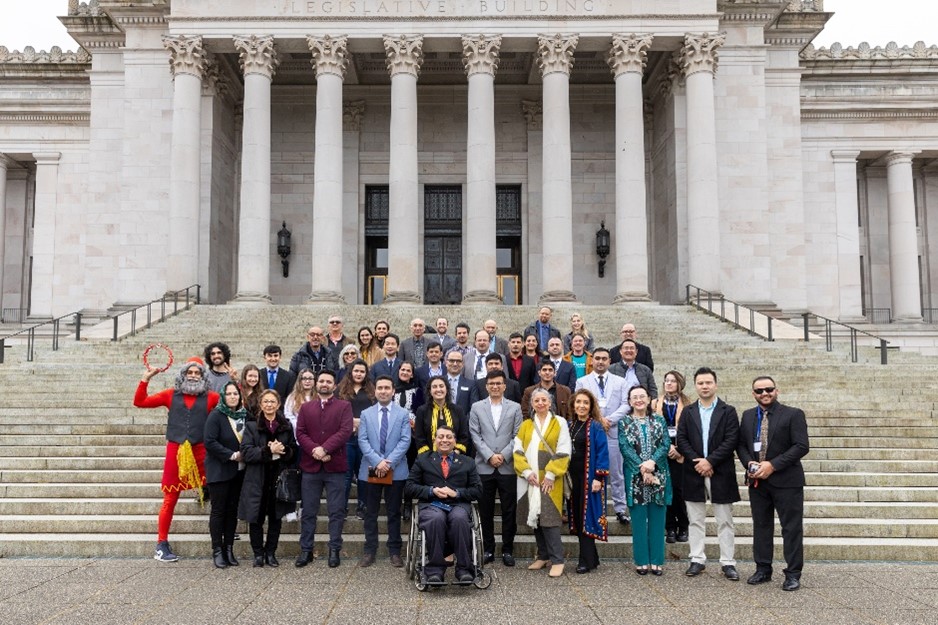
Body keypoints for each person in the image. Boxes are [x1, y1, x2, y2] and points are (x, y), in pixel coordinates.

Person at [135, 357, 219, 562]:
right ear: (183, 375)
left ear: (203, 376)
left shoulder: (213, 397)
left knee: (218, 492)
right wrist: (145, 379)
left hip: (201, 452)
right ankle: (161, 544)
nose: (193, 376)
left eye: (197, 373)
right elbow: (140, 402)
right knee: (170, 498)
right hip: (176, 452)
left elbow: (234, 408)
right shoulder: (170, 395)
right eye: (189, 373)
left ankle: (223, 535)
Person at [738, 376, 810, 591]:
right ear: (753, 394)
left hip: (786, 481)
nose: (764, 394)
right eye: (759, 391)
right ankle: (762, 568)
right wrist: (748, 462)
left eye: (768, 389)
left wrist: (773, 465)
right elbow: (741, 445)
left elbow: (801, 446)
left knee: (791, 528)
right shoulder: (748, 415)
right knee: (761, 526)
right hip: (758, 482)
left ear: (776, 391)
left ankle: (793, 573)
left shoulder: (793, 414)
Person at [676, 367, 741, 580]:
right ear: (696, 386)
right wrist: (699, 462)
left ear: (715, 384)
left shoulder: (728, 411)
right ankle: (697, 559)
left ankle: (728, 562)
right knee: (695, 519)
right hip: (693, 471)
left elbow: (731, 439)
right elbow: (682, 439)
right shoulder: (688, 411)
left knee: (724, 519)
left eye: (708, 382)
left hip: (720, 471)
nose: (705, 386)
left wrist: (710, 461)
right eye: (701, 383)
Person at [404, 426, 483, 584]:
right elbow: (409, 486)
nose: (444, 440)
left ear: (455, 441)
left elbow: (478, 490)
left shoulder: (468, 462)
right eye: (441, 437)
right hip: (431, 505)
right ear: (435, 440)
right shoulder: (423, 459)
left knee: (460, 519)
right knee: (436, 519)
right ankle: (434, 571)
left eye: (448, 437)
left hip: (458, 505)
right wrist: (431, 490)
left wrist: (457, 493)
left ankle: (464, 570)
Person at [295, 369, 354, 568]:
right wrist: (315, 450)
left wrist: (326, 448)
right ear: (315, 384)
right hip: (311, 467)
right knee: (309, 511)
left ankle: (334, 549)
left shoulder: (344, 406)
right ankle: (306, 550)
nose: (325, 384)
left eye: (329, 381)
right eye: (322, 381)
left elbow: (345, 431)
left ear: (334, 386)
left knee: (336, 511)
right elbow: (300, 432)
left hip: (335, 467)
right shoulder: (306, 407)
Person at [514, 387, 571, 578]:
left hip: (549, 478)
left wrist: (551, 474)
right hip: (531, 478)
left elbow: (564, 449)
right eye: (536, 400)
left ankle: (558, 559)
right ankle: (543, 555)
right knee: (536, 518)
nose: (540, 403)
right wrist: (527, 471)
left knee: (550, 518)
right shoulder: (526, 425)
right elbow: (517, 449)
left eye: (543, 400)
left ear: (550, 403)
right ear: (531, 404)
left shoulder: (559, 422)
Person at [469, 369, 523, 567]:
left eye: (498, 383)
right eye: (491, 383)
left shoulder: (515, 407)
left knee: (510, 510)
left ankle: (508, 549)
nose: (495, 386)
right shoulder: (476, 407)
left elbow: (518, 435)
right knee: (485, 511)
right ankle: (488, 549)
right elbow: (475, 434)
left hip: (508, 466)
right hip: (484, 466)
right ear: (486, 386)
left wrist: (503, 455)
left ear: (504, 385)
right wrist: (490, 455)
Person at [357, 376, 412, 567]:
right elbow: (362, 440)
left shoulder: (403, 414)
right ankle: (370, 550)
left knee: (394, 512)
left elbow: (405, 440)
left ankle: (395, 551)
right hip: (371, 468)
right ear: (375, 391)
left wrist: (388, 463)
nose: (383, 391)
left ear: (393, 391)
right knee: (370, 512)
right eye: (379, 388)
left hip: (395, 470)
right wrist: (378, 461)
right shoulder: (366, 414)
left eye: (386, 388)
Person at [238, 389, 297, 567]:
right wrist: (267, 450)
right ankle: (258, 554)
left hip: (278, 479)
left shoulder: (286, 426)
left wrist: (284, 450)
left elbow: (294, 451)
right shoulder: (251, 426)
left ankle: (271, 552)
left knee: (275, 518)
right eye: (266, 402)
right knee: (255, 519)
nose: (269, 405)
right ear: (261, 404)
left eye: (272, 402)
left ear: (278, 404)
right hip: (257, 479)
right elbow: (246, 452)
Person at [619, 385, 671, 576]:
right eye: (635, 397)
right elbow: (625, 447)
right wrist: (642, 468)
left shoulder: (658, 420)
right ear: (630, 401)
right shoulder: (624, 422)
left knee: (658, 518)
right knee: (639, 520)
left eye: (642, 396)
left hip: (659, 474)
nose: (639, 400)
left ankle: (657, 560)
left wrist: (651, 463)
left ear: (649, 399)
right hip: (635, 477)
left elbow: (665, 443)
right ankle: (641, 560)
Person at [575, 348, 631, 525]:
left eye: (604, 359)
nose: (600, 361)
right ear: (591, 361)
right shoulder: (582, 381)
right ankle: (596, 510)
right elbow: (580, 405)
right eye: (597, 358)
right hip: (591, 432)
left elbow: (625, 405)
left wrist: (609, 420)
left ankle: (620, 509)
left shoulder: (621, 382)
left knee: (616, 473)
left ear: (609, 361)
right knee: (592, 473)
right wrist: (598, 420)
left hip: (613, 432)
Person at [203, 381, 247, 568]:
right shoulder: (216, 415)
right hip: (220, 470)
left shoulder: (244, 416)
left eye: (235, 393)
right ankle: (217, 550)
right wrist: (231, 455)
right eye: (228, 394)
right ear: (223, 396)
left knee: (232, 512)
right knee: (219, 511)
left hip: (239, 472)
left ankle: (229, 549)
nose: (232, 397)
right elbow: (209, 441)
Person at [566, 389, 608, 574]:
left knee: (587, 518)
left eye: (585, 403)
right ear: (573, 405)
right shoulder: (569, 425)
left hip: (589, 478)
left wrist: (599, 477)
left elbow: (602, 452)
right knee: (576, 517)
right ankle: (592, 558)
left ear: (590, 407)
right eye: (578, 402)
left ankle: (585, 560)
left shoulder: (596, 426)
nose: (581, 406)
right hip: (572, 479)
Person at [651, 370, 691, 544]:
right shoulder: (654, 404)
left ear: (679, 384)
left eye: (673, 381)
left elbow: (691, 430)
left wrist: (680, 449)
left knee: (679, 490)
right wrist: (665, 448)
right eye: (666, 380)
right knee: (664, 489)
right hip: (661, 453)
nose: (668, 383)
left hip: (681, 452)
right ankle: (669, 528)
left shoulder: (688, 404)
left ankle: (683, 525)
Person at [336, 360, 375, 520]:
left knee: (364, 474)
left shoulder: (372, 391)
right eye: (356, 371)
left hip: (367, 439)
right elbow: (336, 412)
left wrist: (360, 422)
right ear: (351, 372)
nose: (359, 374)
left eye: (362, 371)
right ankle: (342, 507)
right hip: (347, 438)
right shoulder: (341, 390)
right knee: (345, 475)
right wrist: (350, 422)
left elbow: (376, 412)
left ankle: (363, 507)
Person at [413, 377, 471, 456]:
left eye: (441, 386)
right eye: (434, 387)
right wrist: (431, 458)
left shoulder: (458, 410)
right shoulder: (422, 411)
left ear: (447, 390)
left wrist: (454, 454)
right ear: (430, 391)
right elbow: (419, 437)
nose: (438, 389)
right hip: (429, 460)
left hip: (455, 458)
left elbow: (464, 435)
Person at [444, 349, 475, 416]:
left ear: (462, 364)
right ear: (446, 363)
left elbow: (473, 408)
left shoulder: (471, 384)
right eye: (451, 361)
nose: (455, 364)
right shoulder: (438, 382)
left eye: (458, 361)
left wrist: (464, 422)